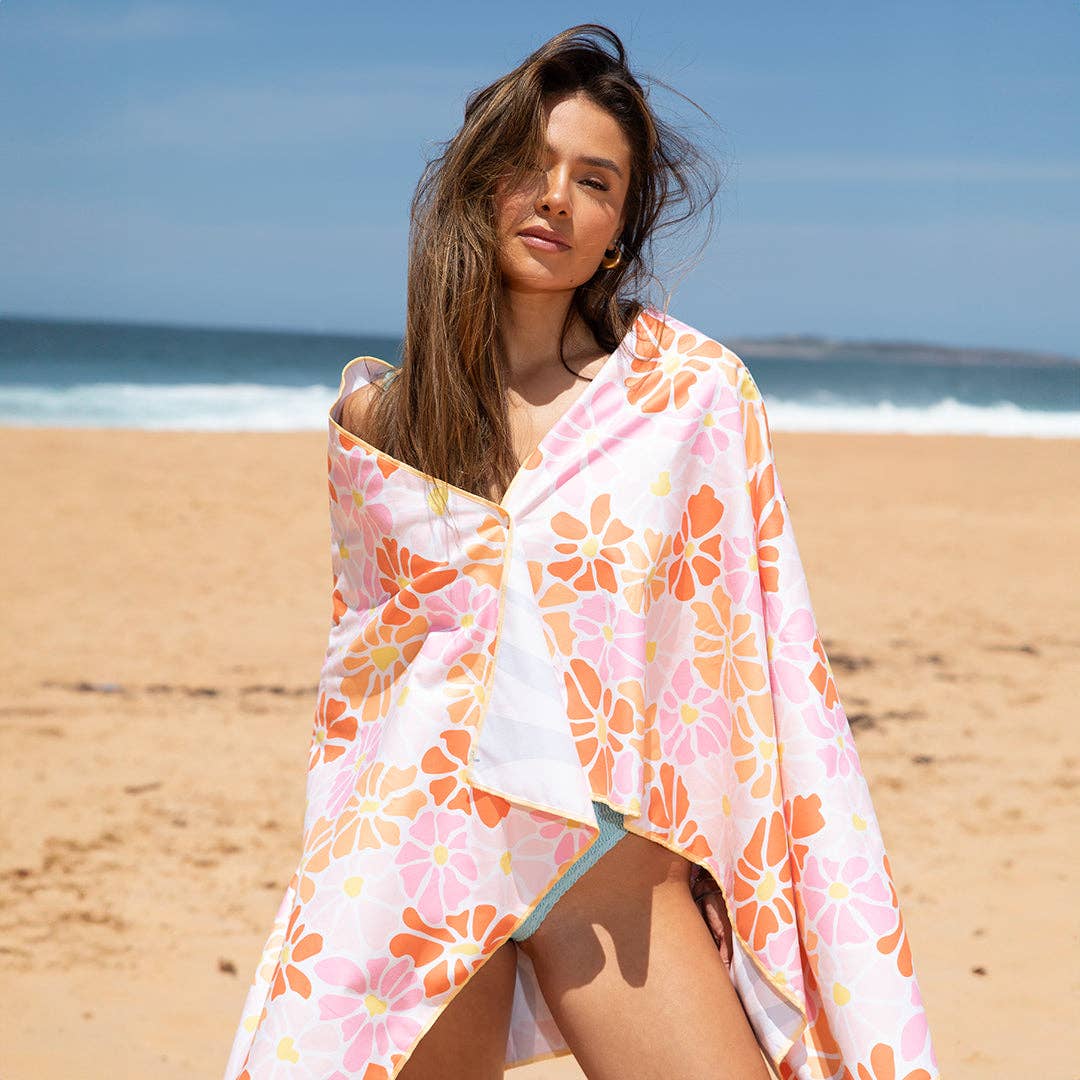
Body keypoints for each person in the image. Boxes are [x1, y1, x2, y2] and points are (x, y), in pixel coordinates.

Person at [223, 24, 939, 1080]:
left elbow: (755, 642)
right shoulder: (377, 424)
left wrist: (739, 868)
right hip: (418, 854)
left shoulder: (685, 395)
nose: (555, 197)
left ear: (617, 230)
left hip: (601, 863)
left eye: (594, 181)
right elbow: (367, 677)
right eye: (529, 164)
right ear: (480, 183)